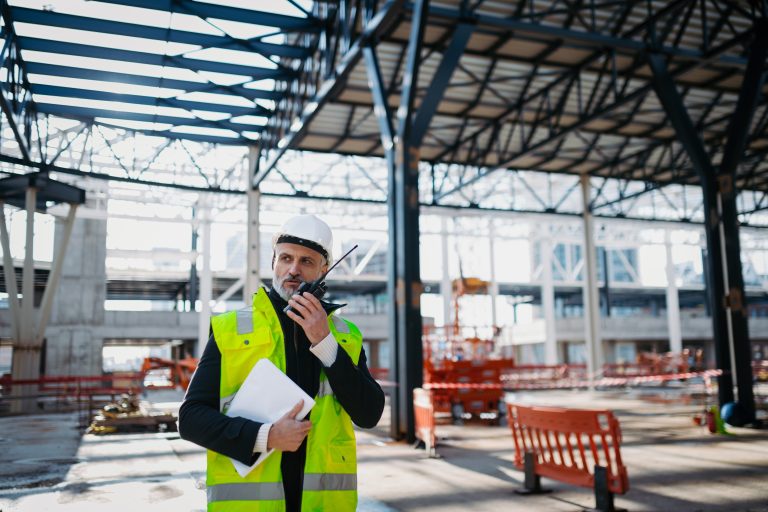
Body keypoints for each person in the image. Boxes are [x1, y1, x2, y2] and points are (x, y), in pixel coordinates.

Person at [179, 213, 385, 512]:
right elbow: (190, 419)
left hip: (322, 504)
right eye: (286, 258)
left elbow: (369, 414)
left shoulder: (344, 336)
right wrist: (266, 436)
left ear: (324, 270)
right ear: (273, 261)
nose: (293, 269)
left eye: (307, 261)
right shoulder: (232, 329)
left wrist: (324, 342)